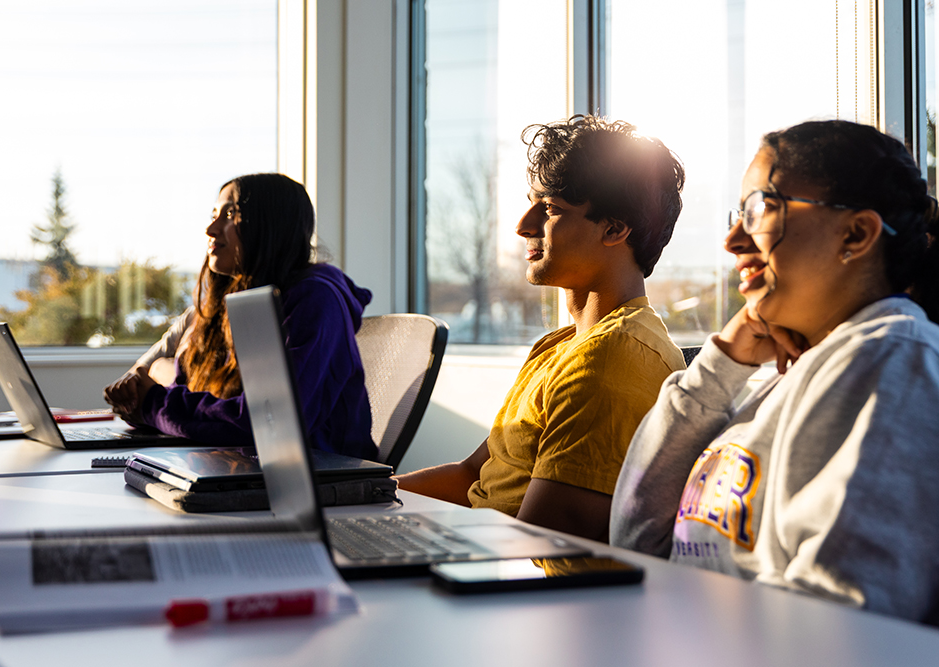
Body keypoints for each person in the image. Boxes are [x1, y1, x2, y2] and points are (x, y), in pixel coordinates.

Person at [610, 120, 939, 624]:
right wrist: (722, 362)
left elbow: (841, 622)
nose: (732, 240)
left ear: (856, 234)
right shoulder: (784, 373)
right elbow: (637, 543)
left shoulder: (891, 362)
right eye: (736, 213)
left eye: (761, 209)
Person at [397, 115, 687, 542]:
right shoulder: (561, 346)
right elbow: (472, 476)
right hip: (478, 555)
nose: (523, 225)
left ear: (614, 228)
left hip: (510, 585)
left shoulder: (610, 359)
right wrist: (359, 500)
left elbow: (537, 545)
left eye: (550, 209)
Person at [103, 173, 378, 461]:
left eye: (230, 213)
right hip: (234, 466)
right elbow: (192, 397)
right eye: (213, 214)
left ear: (270, 223)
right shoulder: (227, 307)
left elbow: (270, 423)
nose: (211, 229)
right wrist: (137, 405)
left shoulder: (316, 301)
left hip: (325, 483)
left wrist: (153, 404)